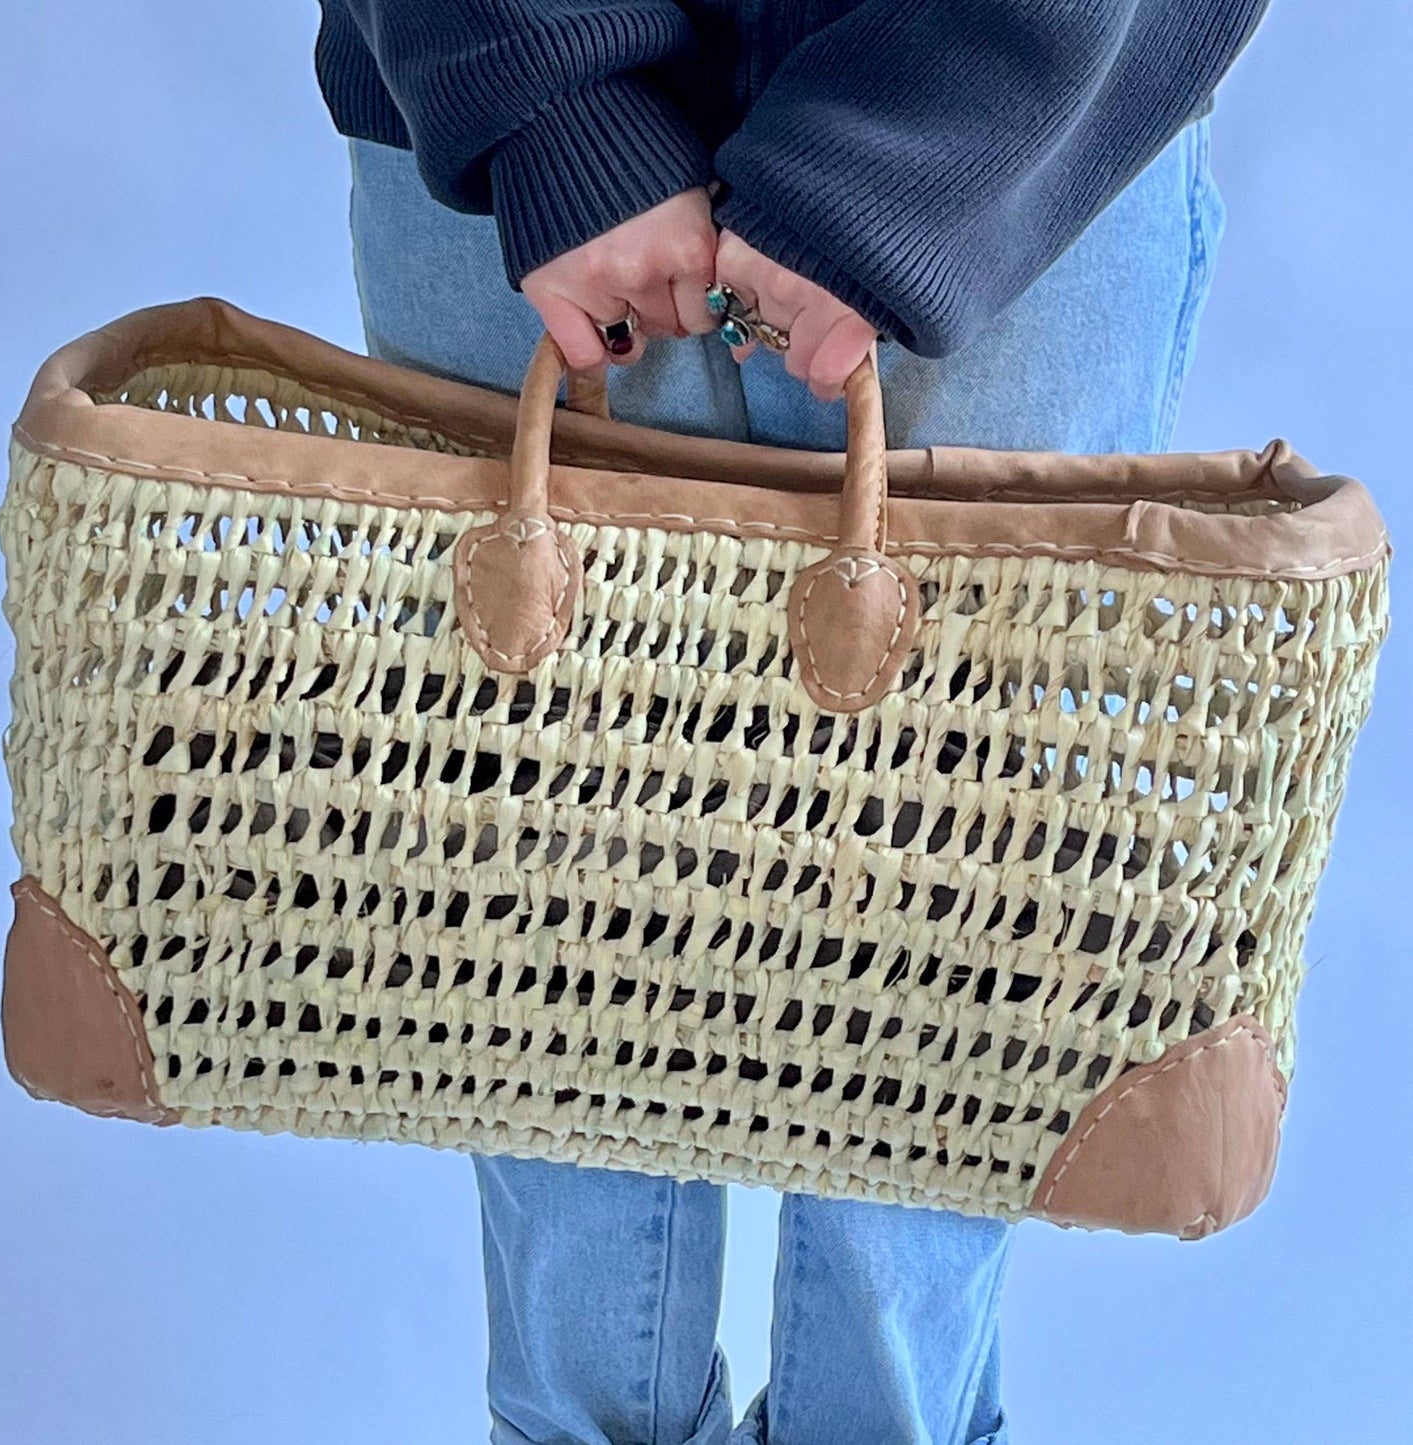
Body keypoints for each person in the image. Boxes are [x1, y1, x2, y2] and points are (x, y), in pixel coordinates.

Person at [311, 3, 1268, 1441]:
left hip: (1022, 133)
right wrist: (541, 88)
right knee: (532, 973)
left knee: (942, 992)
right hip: (494, 128)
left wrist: (913, 151)